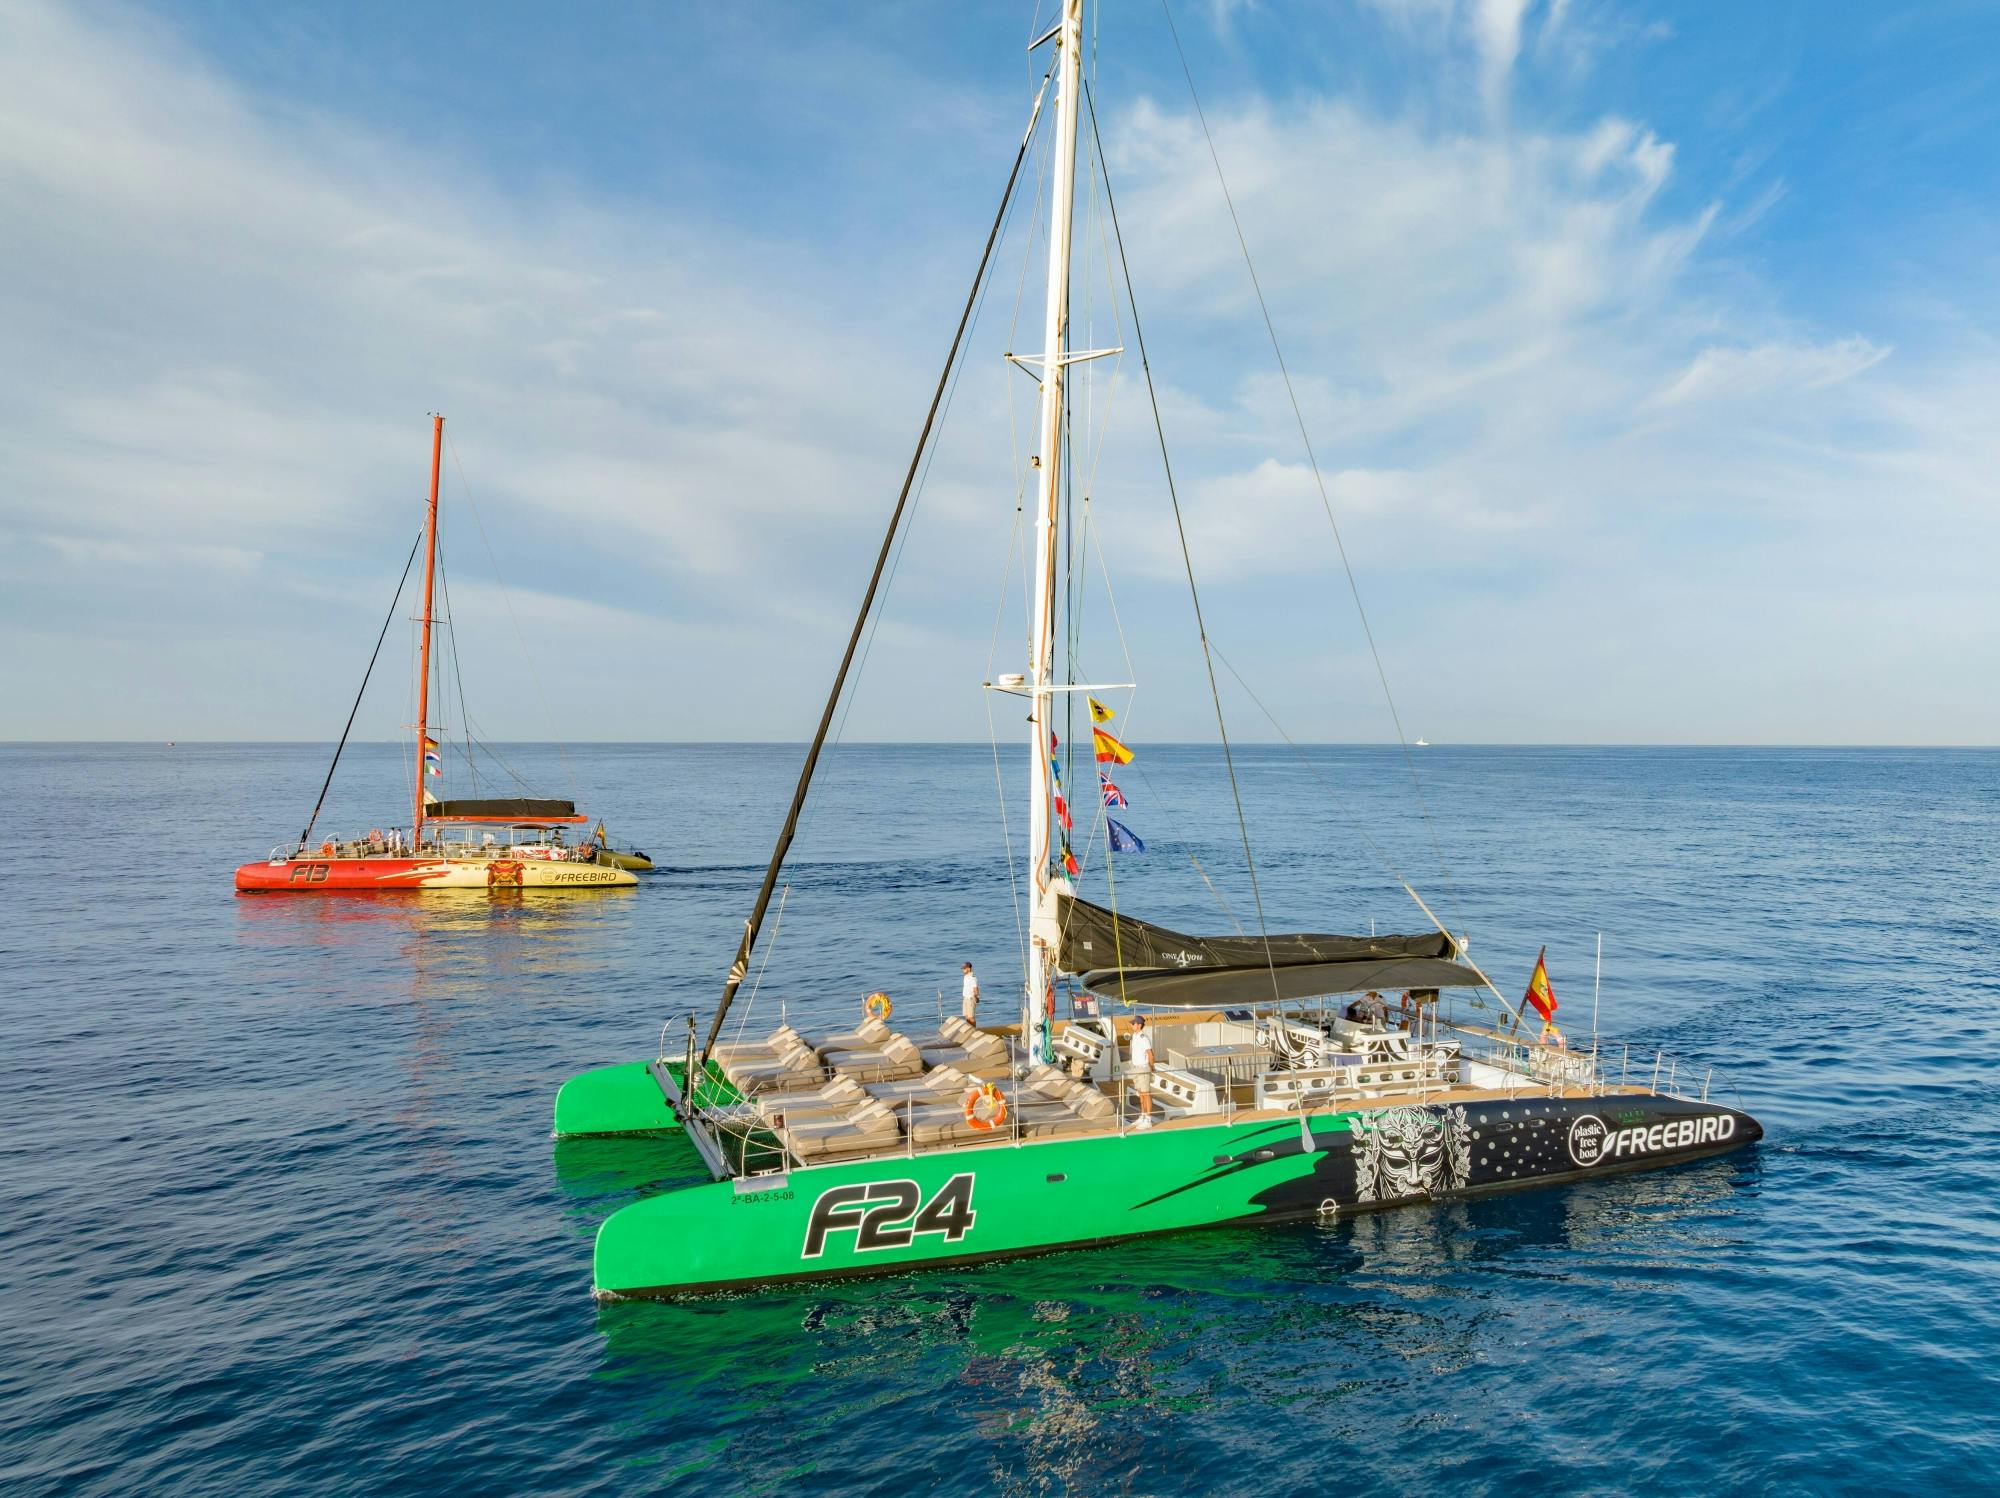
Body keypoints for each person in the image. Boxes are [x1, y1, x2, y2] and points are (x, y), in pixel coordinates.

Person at [1129, 1014, 1155, 1128]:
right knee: (1140, 1093)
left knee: (1146, 1094)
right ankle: (1143, 1115)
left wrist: (1151, 1067)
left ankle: (1148, 1119)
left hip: (1143, 1068)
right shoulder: (1134, 1035)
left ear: (1139, 1025)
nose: (1131, 1025)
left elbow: (1150, 1054)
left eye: (1133, 1023)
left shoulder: (1143, 1037)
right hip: (1136, 1068)